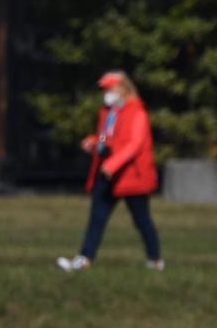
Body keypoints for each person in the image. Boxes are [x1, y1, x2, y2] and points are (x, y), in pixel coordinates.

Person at [57, 70, 163, 272]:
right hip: (107, 175)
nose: (106, 92)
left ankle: (155, 259)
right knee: (97, 219)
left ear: (123, 88)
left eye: (110, 88)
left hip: (131, 177)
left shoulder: (137, 112)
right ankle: (84, 258)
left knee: (141, 220)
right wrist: (95, 143)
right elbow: (107, 137)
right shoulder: (109, 113)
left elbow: (135, 144)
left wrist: (112, 164)